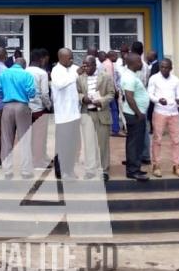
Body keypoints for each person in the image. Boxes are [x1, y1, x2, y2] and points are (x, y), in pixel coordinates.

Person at [0, 56, 36, 179]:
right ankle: (25, 171)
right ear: (24, 65)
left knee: (6, 139)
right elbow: (32, 92)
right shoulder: (27, 74)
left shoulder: (4, 74)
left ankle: (7, 170)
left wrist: (6, 95)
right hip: (22, 106)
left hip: (7, 107)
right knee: (25, 140)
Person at [78, 55, 115, 181]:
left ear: (94, 65)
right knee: (89, 144)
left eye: (87, 65)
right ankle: (90, 170)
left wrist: (102, 101)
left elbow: (112, 93)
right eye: (83, 65)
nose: (85, 67)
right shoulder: (80, 78)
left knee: (102, 144)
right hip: (87, 114)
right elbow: (77, 92)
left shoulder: (105, 77)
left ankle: (104, 170)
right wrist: (83, 98)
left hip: (101, 113)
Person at [148, 58, 179, 178]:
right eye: (162, 67)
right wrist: (158, 100)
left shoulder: (175, 79)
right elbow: (150, 94)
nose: (164, 69)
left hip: (174, 113)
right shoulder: (154, 78)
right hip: (159, 112)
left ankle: (177, 165)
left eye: (166, 67)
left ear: (170, 68)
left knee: (176, 141)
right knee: (157, 140)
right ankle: (156, 165)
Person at [50, 48, 81, 180]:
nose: (72, 60)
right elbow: (60, 84)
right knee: (62, 146)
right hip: (63, 116)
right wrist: (75, 75)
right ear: (61, 58)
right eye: (69, 58)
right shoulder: (56, 71)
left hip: (74, 114)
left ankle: (69, 170)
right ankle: (62, 172)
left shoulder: (73, 68)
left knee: (72, 146)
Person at [121, 52, 150, 180]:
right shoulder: (129, 77)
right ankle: (133, 171)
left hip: (136, 114)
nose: (141, 63)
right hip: (135, 115)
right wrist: (139, 113)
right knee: (134, 143)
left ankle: (136, 167)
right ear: (133, 63)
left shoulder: (132, 74)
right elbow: (129, 97)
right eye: (139, 61)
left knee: (137, 143)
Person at [26, 48, 51, 171]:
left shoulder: (24, 71)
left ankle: (31, 159)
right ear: (40, 60)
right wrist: (49, 106)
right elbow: (45, 94)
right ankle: (38, 162)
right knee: (40, 136)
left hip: (26, 109)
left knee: (29, 136)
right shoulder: (42, 73)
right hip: (38, 109)